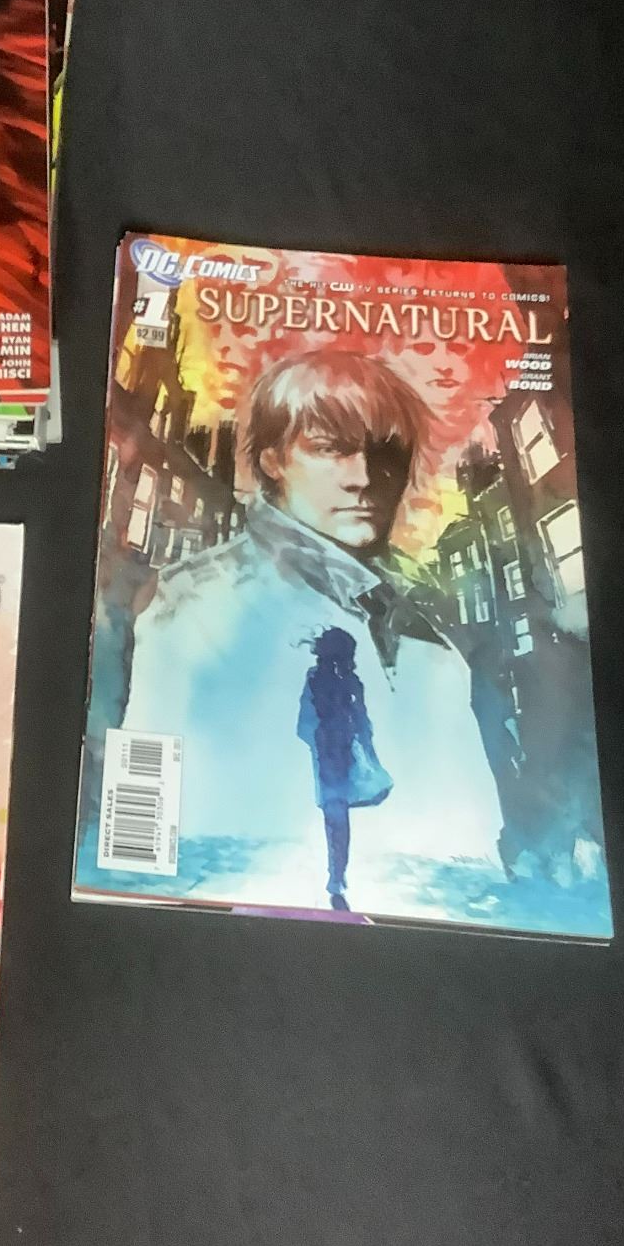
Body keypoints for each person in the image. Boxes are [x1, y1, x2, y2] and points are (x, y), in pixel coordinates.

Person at [122, 349, 504, 907]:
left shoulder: (426, 636)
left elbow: (470, 843)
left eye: (387, 454)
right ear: (273, 461)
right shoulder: (191, 601)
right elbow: (152, 845)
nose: (364, 479)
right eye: (330, 449)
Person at [295, 627, 393, 910]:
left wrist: (325, 743)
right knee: (338, 818)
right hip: (335, 756)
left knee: (336, 817)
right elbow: (360, 723)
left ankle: (337, 878)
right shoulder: (335, 681)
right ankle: (337, 878)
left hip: (336, 756)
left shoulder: (329, 681)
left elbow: (307, 724)